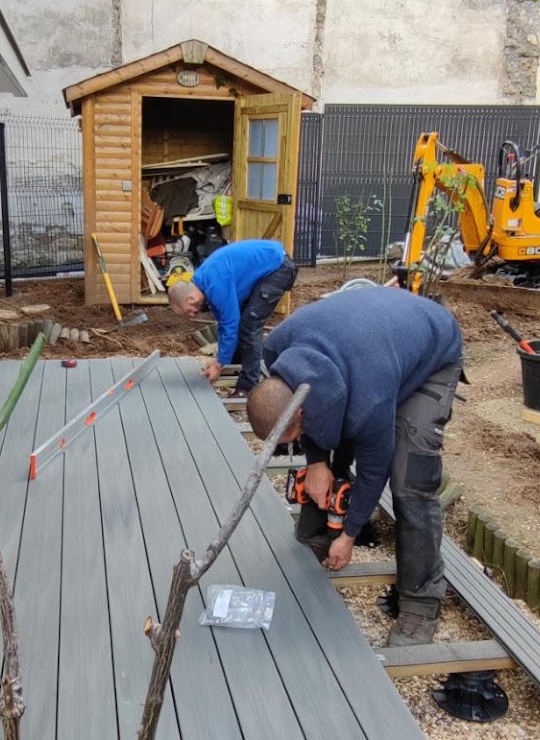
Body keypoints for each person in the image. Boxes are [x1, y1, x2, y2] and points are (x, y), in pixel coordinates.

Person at [246, 286, 464, 647]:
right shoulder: (277, 348)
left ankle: (421, 603)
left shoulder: (369, 400)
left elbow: (375, 470)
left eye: (292, 435)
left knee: (411, 481)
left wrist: (349, 536)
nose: (293, 446)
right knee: (334, 431)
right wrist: (316, 462)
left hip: (431, 350)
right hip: (371, 343)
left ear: (298, 411)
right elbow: (312, 410)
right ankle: (318, 534)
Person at [167, 238, 297, 395]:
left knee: (249, 324)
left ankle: (248, 386)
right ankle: (235, 368)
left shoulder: (216, 285)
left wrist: (219, 363)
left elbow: (231, 324)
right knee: (241, 321)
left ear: (191, 299)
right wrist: (221, 361)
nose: (191, 315)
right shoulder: (203, 283)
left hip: (277, 266)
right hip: (266, 266)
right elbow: (223, 324)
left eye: (188, 311)